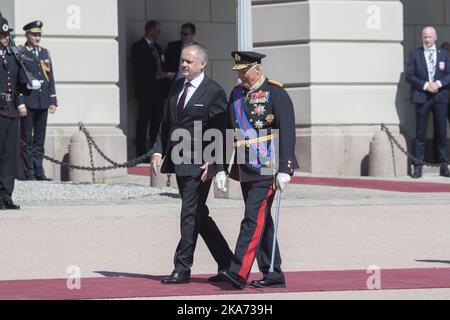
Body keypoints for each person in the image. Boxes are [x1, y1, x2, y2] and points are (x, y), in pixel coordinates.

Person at [151, 44, 233, 285]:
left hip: (200, 165)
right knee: (198, 214)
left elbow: (222, 130)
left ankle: (182, 267)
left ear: (202, 64)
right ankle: (228, 262)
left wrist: (216, 164)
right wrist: (158, 151)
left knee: (189, 212)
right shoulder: (177, 86)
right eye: (182, 61)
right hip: (179, 160)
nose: (184, 65)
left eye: (189, 61)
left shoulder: (214, 91)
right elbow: (167, 124)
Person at [216, 51, 299, 290]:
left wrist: (286, 168)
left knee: (252, 218)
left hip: (267, 166)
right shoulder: (236, 95)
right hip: (245, 166)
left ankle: (238, 271)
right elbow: (226, 133)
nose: (241, 76)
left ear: (258, 69)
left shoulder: (276, 93)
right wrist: (221, 168)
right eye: (238, 72)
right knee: (262, 219)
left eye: (245, 71)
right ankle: (272, 271)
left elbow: (288, 132)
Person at [406, 26, 450, 179]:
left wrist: (437, 83)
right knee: (420, 133)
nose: (427, 39)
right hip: (422, 97)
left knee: (442, 132)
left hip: (440, 97)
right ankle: (418, 166)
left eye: (430, 37)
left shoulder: (444, 55)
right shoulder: (415, 54)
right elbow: (409, 76)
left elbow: (449, 75)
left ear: (435, 37)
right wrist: (426, 85)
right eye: (424, 37)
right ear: (422, 38)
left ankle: (444, 165)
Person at [19, 20, 57, 181]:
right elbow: (17, 80)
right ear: (27, 35)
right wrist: (20, 102)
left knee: (39, 139)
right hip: (28, 101)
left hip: (42, 101)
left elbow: (50, 78)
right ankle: (29, 173)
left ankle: (39, 171)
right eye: (34, 34)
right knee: (27, 139)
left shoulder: (44, 52)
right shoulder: (21, 52)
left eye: (39, 34)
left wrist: (53, 100)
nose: (37, 37)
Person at [0, 15, 30, 210]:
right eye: (2, 35)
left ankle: (6, 196)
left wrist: (26, 87)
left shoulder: (12, 55)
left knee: (9, 157)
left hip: (10, 111)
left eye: (6, 34)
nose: (5, 38)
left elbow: (19, 84)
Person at [131, 20, 167, 160]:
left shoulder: (158, 47)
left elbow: (162, 62)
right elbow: (139, 68)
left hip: (158, 90)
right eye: (158, 31)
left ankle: (154, 150)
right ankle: (141, 152)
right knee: (143, 120)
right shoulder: (138, 46)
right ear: (151, 30)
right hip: (145, 90)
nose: (159, 33)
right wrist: (155, 74)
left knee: (157, 121)